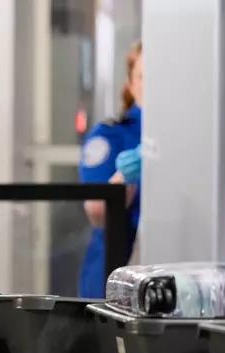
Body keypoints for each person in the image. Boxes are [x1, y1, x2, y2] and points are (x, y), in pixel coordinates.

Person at [78, 41, 143, 298]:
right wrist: (123, 179)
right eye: (144, 77)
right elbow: (96, 212)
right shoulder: (110, 135)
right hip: (115, 272)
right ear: (131, 83)